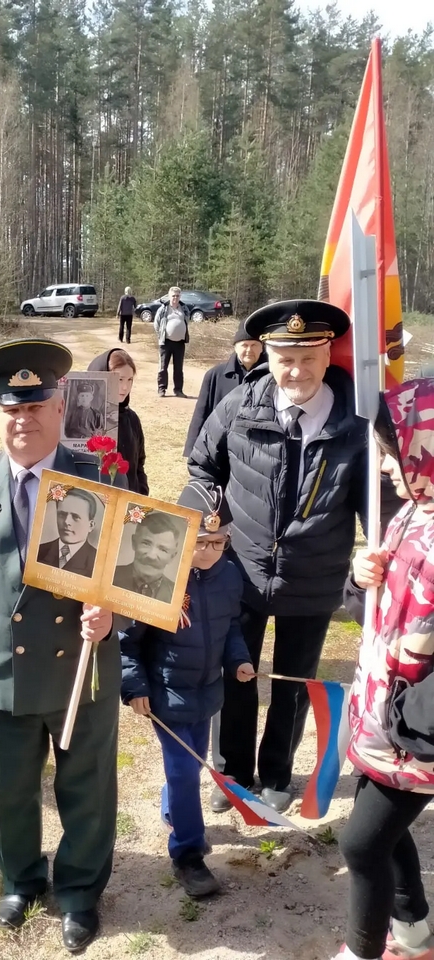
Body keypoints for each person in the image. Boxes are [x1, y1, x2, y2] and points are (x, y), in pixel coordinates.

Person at [0, 339, 124, 953]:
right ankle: (21, 878)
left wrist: (114, 618)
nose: (23, 421)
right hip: (2, 666)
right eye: (11, 409)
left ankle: (81, 891)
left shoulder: (98, 478)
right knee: (12, 786)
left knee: (86, 787)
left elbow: (143, 580)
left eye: (35, 408)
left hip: (81, 667)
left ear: (59, 409)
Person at [188, 299, 398, 814]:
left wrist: (379, 555)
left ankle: (278, 770)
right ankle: (233, 771)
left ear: (329, 355)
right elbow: (202, 469)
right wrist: (206, 518)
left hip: (314, 575)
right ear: (268, 354)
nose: (296, 370)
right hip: (239, 570)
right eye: (285, 357)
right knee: (235, 673)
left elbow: (382, 510)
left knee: (295, 682)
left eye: (309, 357)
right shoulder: (240, 404)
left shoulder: (359, 424)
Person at [333, 378, 434, 960]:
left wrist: (412, 717)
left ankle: (362, 951)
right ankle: (414, 931)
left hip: (413, 730)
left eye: (395, 455)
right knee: (383, 836)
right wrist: (361, 576)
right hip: (376, 712)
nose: (388, 468)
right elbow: (367, 614)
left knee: (361, 846)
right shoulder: (409, 514)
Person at [120, 484, 255, 898]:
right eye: (200, 541)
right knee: (182, 771)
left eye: (219, 542)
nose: (209, 550)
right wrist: (134, 685)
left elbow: (231, 625)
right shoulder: (156, 578)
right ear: (181, 536)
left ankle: (172, 809)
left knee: (192, 767)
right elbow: (128, 641)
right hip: (166, 695)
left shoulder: (229, 575)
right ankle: (188, 854)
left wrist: (239, 660)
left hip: (208, 693)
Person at [182, 319, 266, 457]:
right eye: (244, 345)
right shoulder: (215, 375)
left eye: (254, 345)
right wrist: (191, 450)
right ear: (235, 347)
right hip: (222, 449)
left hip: (258, 452)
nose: (249, 350)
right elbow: (201, 414)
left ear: (262, 347)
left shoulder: (272, 376)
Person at [87, 348, 149, 495]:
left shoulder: (131, 418)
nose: (125, 387)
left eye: (130, 380)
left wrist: (141, 492)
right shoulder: (87, 416)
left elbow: (138, 463)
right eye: (119, 379)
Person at [113, 511, 181, 603]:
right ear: (134, 542)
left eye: (163, 549)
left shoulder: (178, 595)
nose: (151, 556)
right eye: (146, 543)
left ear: (172, 557)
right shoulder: (110, 576)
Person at [37, 488, 98, 577]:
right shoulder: (39, 551)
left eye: (75, 517)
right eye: (62, 514)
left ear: (91, 525)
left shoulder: (97, 563)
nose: (67, 522)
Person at [154, 286, 190, 398]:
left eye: (177, 296)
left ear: (180, 297)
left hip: (180, 343)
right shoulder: (163, 309)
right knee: (163, 367)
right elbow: (156, 324)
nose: (175, 298)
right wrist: (161, 335)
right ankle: (162, 389)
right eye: (173, 296)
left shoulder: (184, 308)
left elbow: (187, 321)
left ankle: (178, 390)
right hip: (166, 342)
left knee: (179, 368)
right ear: (169, 296)